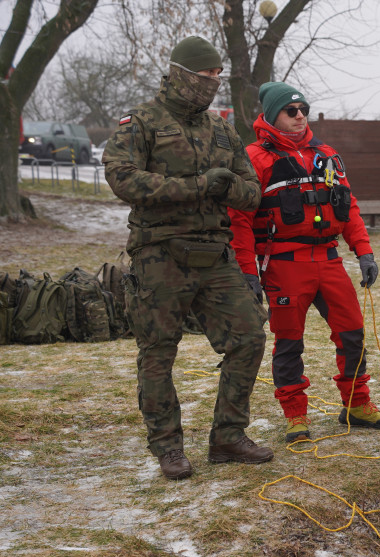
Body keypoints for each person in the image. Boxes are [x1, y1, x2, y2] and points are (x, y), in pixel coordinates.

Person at [104, 36, 271, 480]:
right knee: (158, 352)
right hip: (159, 253)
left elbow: (251, 192)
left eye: (218, 75)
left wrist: (225, 186)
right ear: (181, 73)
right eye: (206, 75)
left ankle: (228, 437)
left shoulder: (222, 129)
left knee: (250, 335)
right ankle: (167, 447)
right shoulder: (141, 122)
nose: (213, 82)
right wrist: (197, 186)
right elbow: (122, 179)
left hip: (214, 253)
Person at [228, 82, 380, 442]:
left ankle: (356, 404)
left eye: (303, 108)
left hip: (329, 259)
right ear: (273, 115)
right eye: (291, 110)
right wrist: (247, 273)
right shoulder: (254, 158)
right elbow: (239, 221)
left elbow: (347, 206)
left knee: (353, 333)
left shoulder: (328, 155)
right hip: (285, 263)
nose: (300, 115)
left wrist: (364, 251)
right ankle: (296, 415)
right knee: (289, 341)